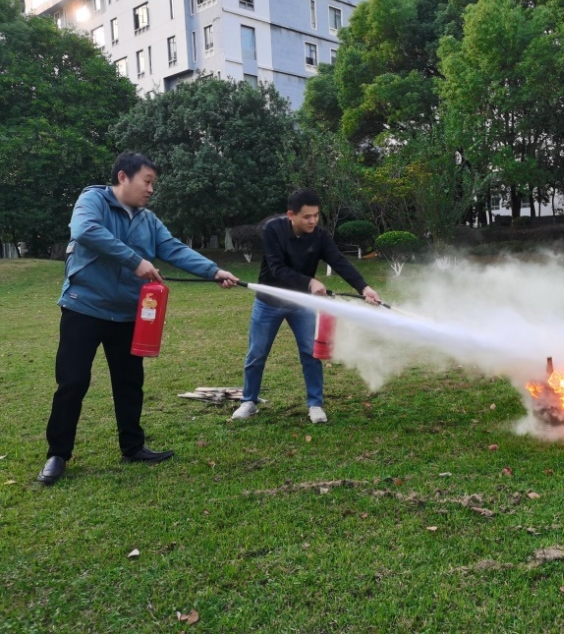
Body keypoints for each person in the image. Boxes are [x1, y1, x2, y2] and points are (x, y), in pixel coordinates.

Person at [37, 151, 240, 486]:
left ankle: (132, 447)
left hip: (128, 314)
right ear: (123, 177)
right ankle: (57, 454)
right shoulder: (93, 200)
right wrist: (135, 261)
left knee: (129, 382)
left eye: (153, 184)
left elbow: (174, 249)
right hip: (83, 307)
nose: (150, 190)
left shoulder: (148, 220)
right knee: (72, 381)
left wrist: (214, 271)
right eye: (147, 181)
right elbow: (84, 231)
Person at [232, 188, 380, 423]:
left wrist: (364, 288)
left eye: (316, 215)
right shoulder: (273, 230)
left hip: (302, 304)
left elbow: (338, 261)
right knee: (257, 353)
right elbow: (276, 268)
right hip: (268, 303)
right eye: (307, 216)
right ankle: (249, 401)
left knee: (311, 353)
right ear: (291, 214)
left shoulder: (319, 236)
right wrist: (309, 281)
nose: (313, 221)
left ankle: (315, 404)